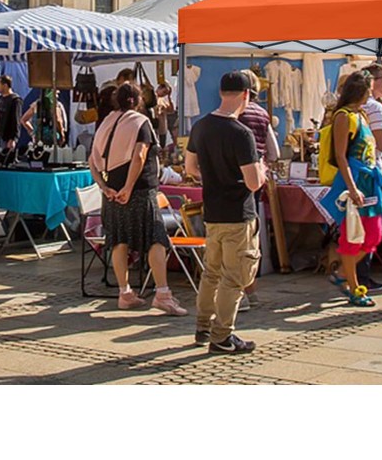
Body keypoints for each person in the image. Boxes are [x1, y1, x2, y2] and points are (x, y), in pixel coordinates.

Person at [185, 71, 266, 354]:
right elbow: (254, 182)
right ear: (245, 95)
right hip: (237, 213)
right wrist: (263, 171)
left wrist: (212, 177)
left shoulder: (201, 126)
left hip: (213, 211)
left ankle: (202, 327)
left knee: (211, 273)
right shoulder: (241, 133)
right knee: (234, 277)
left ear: (221, 93)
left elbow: (190, 168)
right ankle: (221, 336)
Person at [89, 82, 186, 316]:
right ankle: (163, 294)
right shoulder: (140, 121)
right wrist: (129, 187)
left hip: (112, 190)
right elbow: (140, 155)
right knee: (156, 239)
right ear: (139, 100)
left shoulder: (106, 123)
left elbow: (92, 159)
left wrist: (104, 187)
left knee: (119, 240)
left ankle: (125, 293)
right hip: (139, 190)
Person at [325, 71, 382, 307]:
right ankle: (354, 287)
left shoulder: (361, 115)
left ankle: (342, 272)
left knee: (373, 234)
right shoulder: (343, 116)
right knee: (352, 235)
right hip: (354, 182)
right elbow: (341, 156)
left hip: (369, 182)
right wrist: (352, 188)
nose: (371, 93)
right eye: (369, 89)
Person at [237, 69, 280, 308]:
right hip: (255, 180)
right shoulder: (262, 114)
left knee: (237, 239)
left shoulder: (234, 115)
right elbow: (273, 152)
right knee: (249, 237)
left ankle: (242, 291)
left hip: (233, 181)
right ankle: (249, 288)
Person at [355, 63, 382, 294]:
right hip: (373, 173)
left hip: (356, 174)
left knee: (356, 228)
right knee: (372, 228)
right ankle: (359, 275)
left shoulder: (348, 107)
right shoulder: (375, 108)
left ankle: (353, 273)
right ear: (371, 81)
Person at [0, 75, 23, 151]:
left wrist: (13, 138)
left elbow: (16, 120)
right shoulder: (0, 98)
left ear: (5, 85)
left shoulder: (15, 100)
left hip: (7, 137)